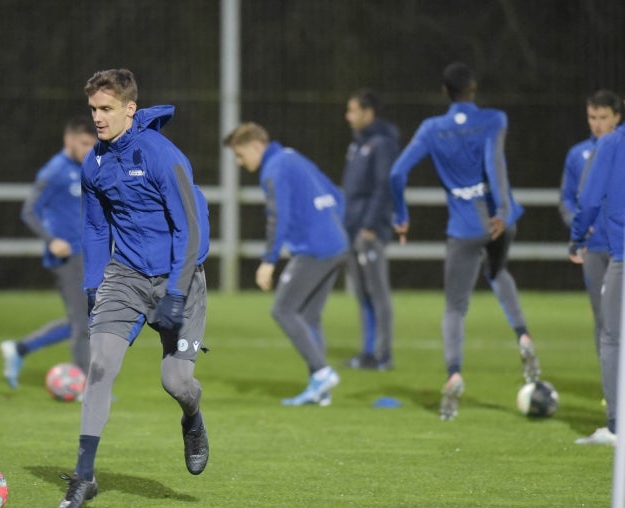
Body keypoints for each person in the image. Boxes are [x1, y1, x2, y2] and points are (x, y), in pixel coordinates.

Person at [56, 69, 211, 508]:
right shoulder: (95, 164)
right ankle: (84, 477)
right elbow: (93, 226)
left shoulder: (163, 155)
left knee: (176, 381)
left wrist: (177, 293)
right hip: (125, 277)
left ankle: (193, 419)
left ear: (130, 109)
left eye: (105, 109)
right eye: (92, 110)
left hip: (179, 276)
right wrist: (93, 287)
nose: (97, 119)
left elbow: (191, 227)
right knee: (100, 366)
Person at [389, 62, 541, 421]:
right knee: (498, 270)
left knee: (455, 307)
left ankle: (454, 373)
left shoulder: (431, 129)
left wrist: (401, 215)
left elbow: (396, 172)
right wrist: (502, 209)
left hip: (463, 226)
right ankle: (522, 335)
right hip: (501, 219)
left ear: (445, 90)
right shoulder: (495, 118)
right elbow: (494, 162)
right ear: (473, 87)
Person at [224, 122, 348, 407]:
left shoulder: (274, 169)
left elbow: (277, 217)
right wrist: (333, 229)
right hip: (337, 244)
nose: (241, 163)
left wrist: (269, 261)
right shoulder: (292, 157)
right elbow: (335, 194)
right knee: (309, 315)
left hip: (314, 249)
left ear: (256, 146)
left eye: (240, 155)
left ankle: (322, 373)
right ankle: (321, 390)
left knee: (283, 309)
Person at [0, 116, 97, 389]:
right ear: (69, 140)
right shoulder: (54, 171)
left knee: (84, 320)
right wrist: (51, 240)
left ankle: (20, 349)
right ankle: (85, 388)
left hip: (89, 254)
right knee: (84, 323)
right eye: (84, 144)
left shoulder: (89, 166)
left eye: (93, 144)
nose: (89, 149)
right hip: (67, 257)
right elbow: (28, 211)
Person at [570, 119, 625, 446]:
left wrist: (577, 236)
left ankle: (617, 426)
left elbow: (589, 198)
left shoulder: (611, 143)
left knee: (611, 337)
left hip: (622, 254)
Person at [559, 90, 622, 356]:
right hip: (595, 247)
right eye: (592, 117)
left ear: (616, 117)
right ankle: (609, 388)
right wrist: (578, 224)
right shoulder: (578, 154)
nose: (597, 123)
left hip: (620, 245)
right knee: (603, 317)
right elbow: (567, 198)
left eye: (603, 117)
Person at [340, 88, 400, 371]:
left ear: (368, 112)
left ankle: (383, 355)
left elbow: (383, 186)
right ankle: (367, 353)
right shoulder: (358, 144)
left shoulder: (382, 144)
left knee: (378, 293)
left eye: (353, 110)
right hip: (352, 228)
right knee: (362, 293)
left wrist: (370, 226)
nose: (348, 116)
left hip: (368, 230)